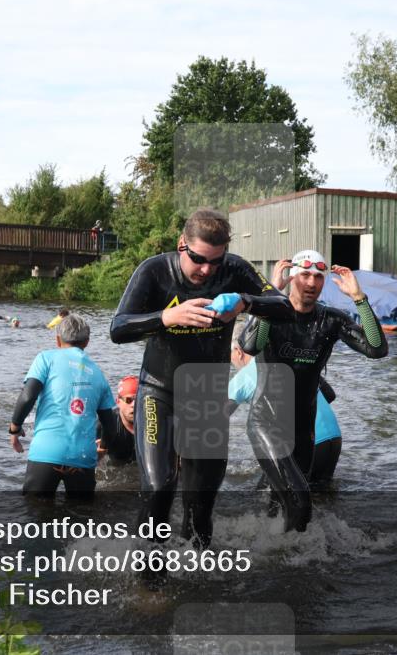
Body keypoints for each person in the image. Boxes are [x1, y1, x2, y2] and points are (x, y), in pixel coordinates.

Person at [110, 208, 294, 550]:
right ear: (183, 244)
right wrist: (166, 316)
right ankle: (149, 582)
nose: (207, 269)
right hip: (159, 392)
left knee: (201, 501)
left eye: (215, 261)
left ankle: (198, 576)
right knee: (159, 487)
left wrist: (245, 301)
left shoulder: (234, 269)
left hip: (207, 396)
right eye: (198, 259)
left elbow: (284, 306)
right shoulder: (154, 271)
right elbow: (117, 328)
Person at [237, 250, 387, 532]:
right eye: (305, 274)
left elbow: (377, 348)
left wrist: (359, 298)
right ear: (293, 277)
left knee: (280, 501)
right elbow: (249, 346)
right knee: (301, 501)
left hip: (303, 431)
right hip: (266, 423)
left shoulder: (330, 320)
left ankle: (272, 553)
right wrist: (270, 297)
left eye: (318, 276)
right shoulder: (275, 312)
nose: (312, 281)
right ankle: (290, 559)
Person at [10, 313, 117, 498]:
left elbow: (27, 397)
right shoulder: (98, 374)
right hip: (82, 457)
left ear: (58, 339)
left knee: (35, 517)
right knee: (81, 519)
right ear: (87, 342)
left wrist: (14, 429)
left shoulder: (46, 359)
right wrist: (103, 447)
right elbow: (110, 423)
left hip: (46, 453)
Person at [227, 320, 343, 487]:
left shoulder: (245, 376)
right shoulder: (288, 360)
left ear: (238, 351)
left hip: (307, 444)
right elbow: (329, 394)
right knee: (319, 500)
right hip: (333, 439)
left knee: (265, 498)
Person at [96, 376, 138, 464]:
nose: (134, 405)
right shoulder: (105, 425)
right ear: (118, 402)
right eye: (129, 400)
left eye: (138, 400)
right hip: (116, 466)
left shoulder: (153, 423)